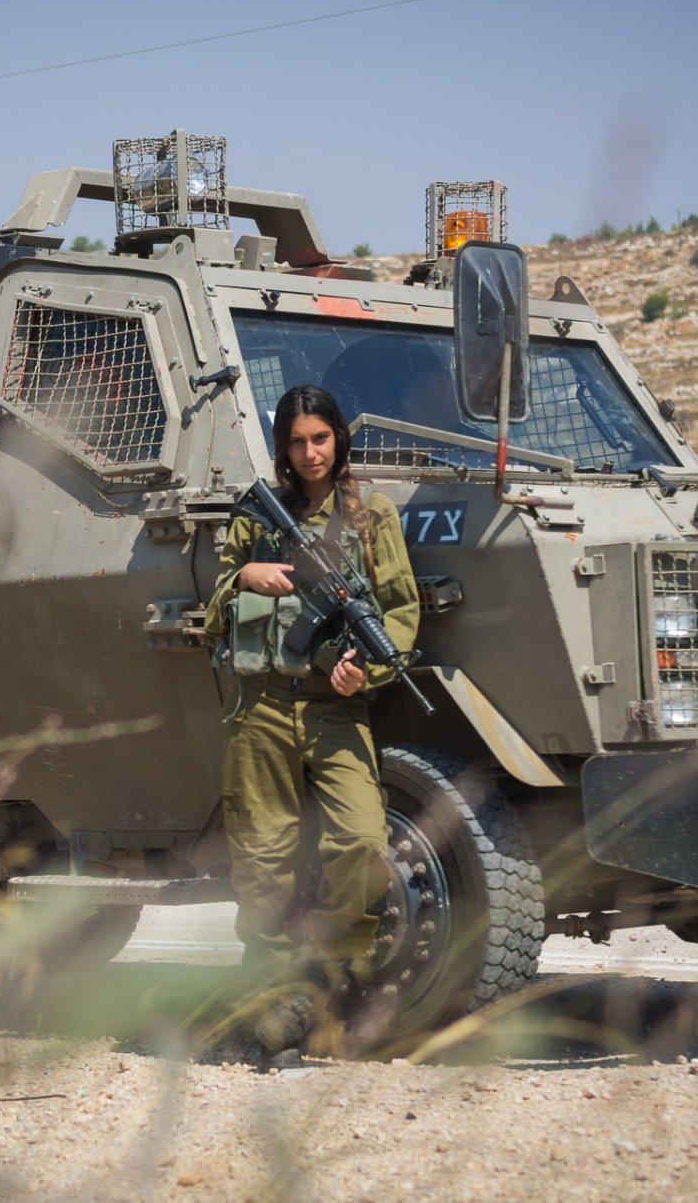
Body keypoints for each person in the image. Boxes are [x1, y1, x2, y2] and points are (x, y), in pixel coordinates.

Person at [203, 384, 420, 1061]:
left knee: (359, 841)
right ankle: (268, 999)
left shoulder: (371, 516)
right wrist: (246, 579)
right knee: (263, 862)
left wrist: (370, 673)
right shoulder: (255, 518)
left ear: (338, 439)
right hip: (261, 707)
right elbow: (210, 607)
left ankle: (329, 976)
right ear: (283, 448)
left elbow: (401, 611)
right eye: (296, 442)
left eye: (320, 438)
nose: (309, 453)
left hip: (335, 706)